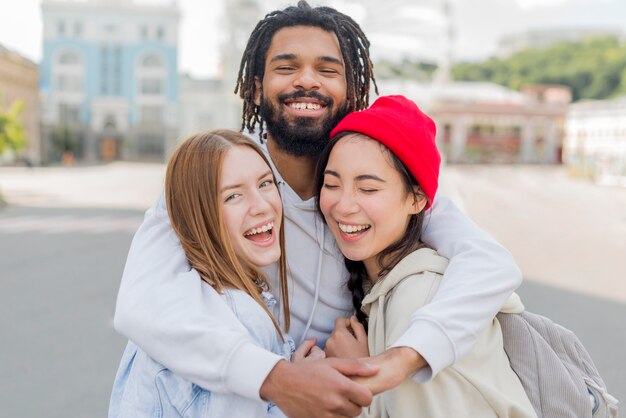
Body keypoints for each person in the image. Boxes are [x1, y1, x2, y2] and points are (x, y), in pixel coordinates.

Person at [114, 2, 523, 417]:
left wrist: (401, 357)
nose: (307, 80)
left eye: (327, 71)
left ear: (353, 92)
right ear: (256, 88)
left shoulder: (375, 177)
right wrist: (277, 379)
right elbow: (140, 303)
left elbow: (489, 263)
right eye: (287, 67)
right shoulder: (220, 172)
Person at [317, 95, 536, 417]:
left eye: (368, 189)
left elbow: (493, 261)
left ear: (417, 199)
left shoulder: (419, 296)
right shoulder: (383, 283)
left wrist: (350, 372)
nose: (344, 205)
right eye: (331, 184)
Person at [109, 130, 326, 417]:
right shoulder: (236, 315)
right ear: (198, 214)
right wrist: (300, 393)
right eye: (233, 196)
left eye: (265, 183)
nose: (261, 206)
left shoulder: (176, 304)